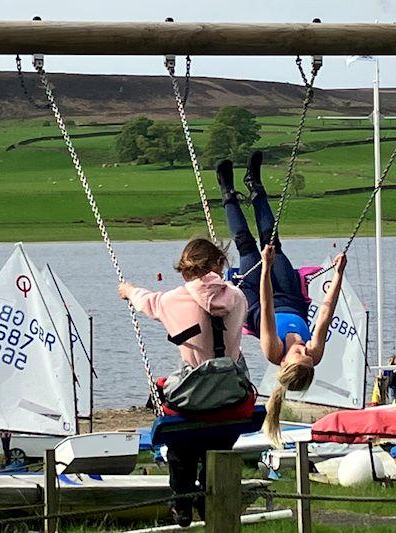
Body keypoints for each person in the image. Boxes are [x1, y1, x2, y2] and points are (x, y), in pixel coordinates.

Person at [217, 151, 348, 445]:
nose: (305, 351)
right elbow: (326, 310)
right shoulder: (313, 352)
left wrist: (265, 266)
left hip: (257, 294)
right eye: (308, 358)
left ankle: (227, 191)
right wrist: (338, 273)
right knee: (273, 240)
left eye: (299, 355)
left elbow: (265, 303)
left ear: (286, 362)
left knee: (247, 245)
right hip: (291, 295)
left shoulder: (272, 349)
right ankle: (255, 184)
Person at [118, 238, 248, 527]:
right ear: (218, 264)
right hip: (232, 397)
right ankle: (206, 492)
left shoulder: (173, 300)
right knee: (215, 435)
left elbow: (146, 301)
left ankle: (183, 499)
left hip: (197, 402)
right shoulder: (238, 297)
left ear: (185, 271)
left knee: (179, 437)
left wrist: (128, 291)